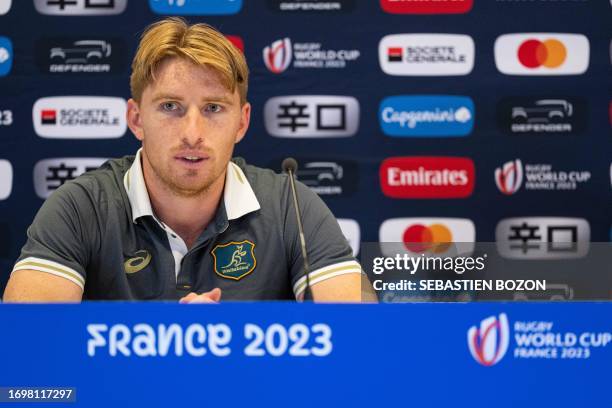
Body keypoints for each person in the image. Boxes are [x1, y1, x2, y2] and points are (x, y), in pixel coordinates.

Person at [3, 18, 374, 303]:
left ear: (242, 122)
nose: (193, 132)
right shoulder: (82, 207)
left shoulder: (291, 206)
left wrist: (226, 343)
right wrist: (173, 343)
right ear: (136, 119)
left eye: (213, 108)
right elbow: (30, 345)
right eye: (170, 107)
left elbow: (361, 338)